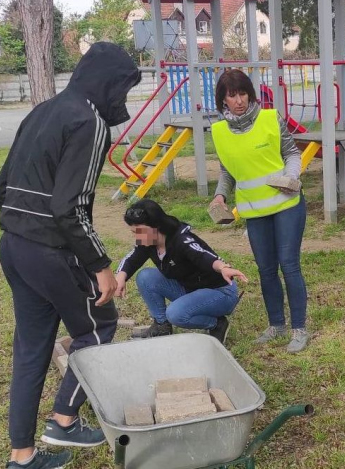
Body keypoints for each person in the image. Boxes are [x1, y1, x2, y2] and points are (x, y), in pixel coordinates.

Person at [0, 43, 141, 469]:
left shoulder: (41, 111)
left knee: (32, 348)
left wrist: (24, 229)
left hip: (14, 248)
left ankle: (22, 456)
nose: (121, 101)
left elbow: (0, 188)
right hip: (49, 250)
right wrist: (101, 267)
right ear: (107, 82)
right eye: (122, 89)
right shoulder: (90, 122)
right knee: (100, 325)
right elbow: (69, 208)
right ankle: (64, 420)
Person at [208, 69, 310, 353]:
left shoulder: (269, 118)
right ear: (223, 100)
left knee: (289, 265)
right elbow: (228, 171)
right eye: (232, 95)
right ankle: (276, 325)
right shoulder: (218, 132)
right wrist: (219, 196)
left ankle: (299, 328)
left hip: (286, 204)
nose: (239, 100)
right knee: (266, 270)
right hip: (254, 211)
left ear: (250, 95)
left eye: (243, 93)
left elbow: (291, 152)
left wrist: (292, 177)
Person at [116, 199, 247, 343]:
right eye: (134, 232)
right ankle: (162, 326)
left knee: (175, 313)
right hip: (190, 288)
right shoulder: (148, 242)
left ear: (156, 226)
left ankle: (217, 324)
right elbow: (132, 259)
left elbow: (202, 255)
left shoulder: (182, 240)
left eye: (140, 231)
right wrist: (120, 276)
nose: (137, 237)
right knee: (145, 277)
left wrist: (222, 267)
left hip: (219, 292)